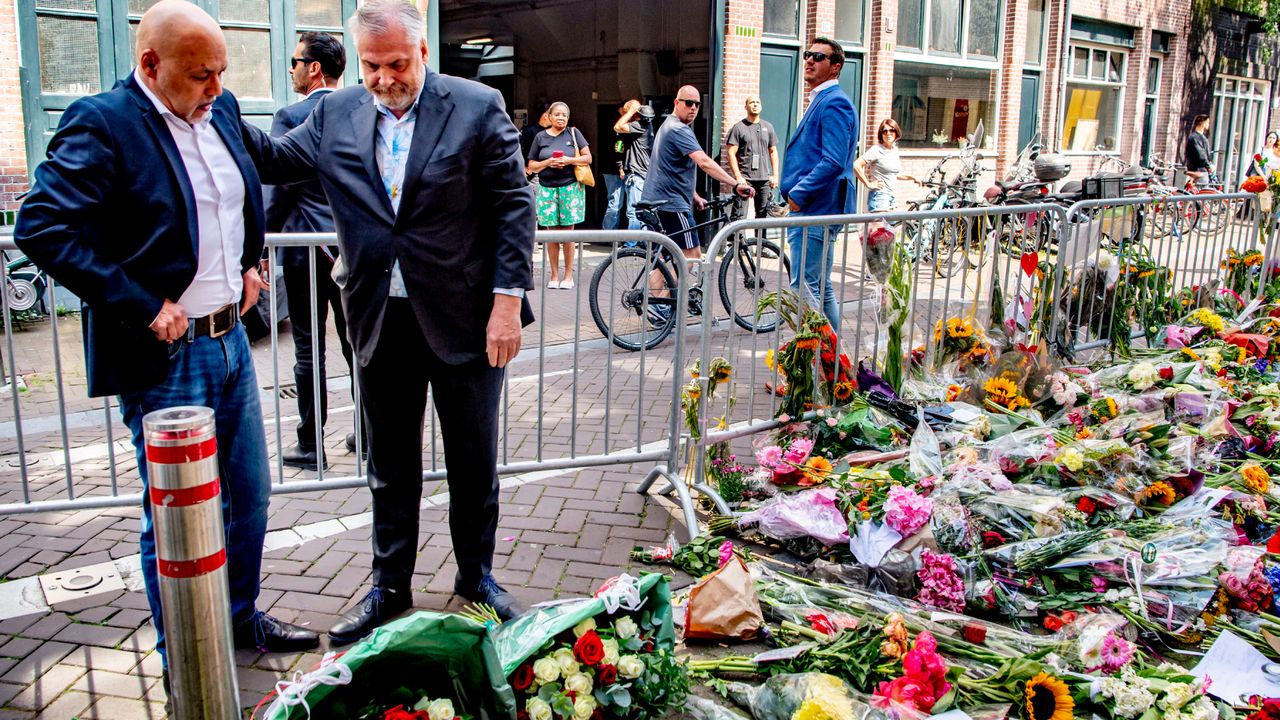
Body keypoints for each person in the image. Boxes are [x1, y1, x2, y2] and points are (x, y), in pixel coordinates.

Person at [12, 0, 320, 682]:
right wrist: (141, 303)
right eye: (199, 74)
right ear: (150, 65)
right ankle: (184, 649)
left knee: (250, 495)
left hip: (232, 340)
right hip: (165, 357)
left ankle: (237, 618)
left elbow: (242, 187)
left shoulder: (224, 110)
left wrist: (245, 258)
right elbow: (42, 226)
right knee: (177, 515)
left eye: (220, 72)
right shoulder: (104, 123)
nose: (214, 87)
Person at [239, 0, 535, 643]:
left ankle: (476, 579)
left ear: (422, 52)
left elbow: (514, 206)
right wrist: (218, 102)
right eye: (371, 66)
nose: (382, 79)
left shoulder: (475, 105)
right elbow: (272, 161)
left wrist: (507, 303)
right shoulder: (333, 111)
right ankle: (388, 585)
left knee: (473, 460)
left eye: (396, 63)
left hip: (467, 318)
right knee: (389, 462)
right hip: (378, 316)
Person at [266, 31, 357, 471]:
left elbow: (279, 185)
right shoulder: (360, 111)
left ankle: (309, 444)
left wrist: (258, 245)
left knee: (308, 348)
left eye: (295, 61)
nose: (292, 68)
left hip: (304, 248)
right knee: (356, 344)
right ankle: (369, 434)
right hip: (352, 248)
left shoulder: (291, 115)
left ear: (314, 68)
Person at [779, 36, 859, 331]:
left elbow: (834, 160)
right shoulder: (824, 100)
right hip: (816, 207)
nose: (809, 60)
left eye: (818, 57)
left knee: (804, 287)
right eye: (807, 55)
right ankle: (833, 365)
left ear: (835, 67)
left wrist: (799, 193)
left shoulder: (834, 102)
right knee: (819, 288)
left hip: (816, 207)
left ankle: (817, 365)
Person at [640, 85, 753, 260]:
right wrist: (736, 184)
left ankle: (652, 289)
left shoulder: (667, 125)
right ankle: (673, 289)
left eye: (697, 104)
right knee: (692, 255)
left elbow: (671, 169)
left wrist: (694, 196)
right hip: (671, 205)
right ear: (677, 103)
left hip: (657, 201)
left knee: (663, 259)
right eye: (689, 103)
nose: (693, 108)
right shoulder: (679, 129)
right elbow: (704, 162)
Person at [527, 101, 591, 289]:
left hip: (569, 187)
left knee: (568, 233)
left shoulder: (573, 133)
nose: (561, 118)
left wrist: (569, 160)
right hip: (546, 188)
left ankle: (568, 275)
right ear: (549, 116)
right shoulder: (540, 137)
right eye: (557, 115)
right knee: (550, 233)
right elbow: (531, 165)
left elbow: (588, 157)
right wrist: (548, 162)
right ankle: (554, 275)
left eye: (564, 115)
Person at [726, 95, 779, 220]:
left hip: (764, 179)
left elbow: (773, 152)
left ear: (761, 106)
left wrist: (775, 175)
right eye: (751, 102)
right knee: (739, 215)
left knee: (762, 216)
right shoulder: (739, 127)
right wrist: (738, 177)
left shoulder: (768, 127)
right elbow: (731, 153)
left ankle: (760, 240)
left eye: (757, 102)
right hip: (746, 179)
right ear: (746, 106)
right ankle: (738, 240)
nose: (755, 104)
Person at [852, 118, 918, 213]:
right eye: (885, 131)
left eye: (891, 130)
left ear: (896, 132)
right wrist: (868, 184)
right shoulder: (876, 150)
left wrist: (912, 177)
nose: (888, 133)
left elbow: (894, 174)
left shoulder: (894, 150)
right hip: (880, 196)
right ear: (881, 134)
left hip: (891, 196)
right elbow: (856, 165)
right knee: (880, 227)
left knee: (887, 227)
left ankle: (866, 228)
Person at [614, 99, 655, 230]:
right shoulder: (646, 126)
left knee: (633, 212)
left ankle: (631, 245)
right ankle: (643, 243)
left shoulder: (640, 125)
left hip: (637, 175)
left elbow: (617, 127)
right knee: (640, 212)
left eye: (627, 112)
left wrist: (631, 110)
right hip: (642, 174)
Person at [1185, 113, 1213, 186]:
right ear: (1203, 123)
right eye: (1207, 122)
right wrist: (1208, 166)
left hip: (1202, 169)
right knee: (1202, 192)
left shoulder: (1200, 137)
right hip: (1199, 170)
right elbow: (1201, 154)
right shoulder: (1195, 138)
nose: (1208, 125)